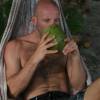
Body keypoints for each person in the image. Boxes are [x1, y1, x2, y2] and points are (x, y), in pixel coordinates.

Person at [4, 0, 87, 100]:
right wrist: (35, 58)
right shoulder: (16, 47)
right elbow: (11, 92)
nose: (53, 25)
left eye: (56, 20)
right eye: (47, 20)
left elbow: (79, 86)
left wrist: (75, 57)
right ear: (34, 21)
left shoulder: (64, 44)